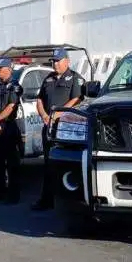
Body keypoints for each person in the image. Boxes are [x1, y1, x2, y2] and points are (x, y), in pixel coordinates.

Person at [31, 48, 84, 211]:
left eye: (58, 61)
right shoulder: (48, 78)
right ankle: (46, 200)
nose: (54, 64)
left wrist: (58, 114)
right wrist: (45, 116)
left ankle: (69, 201)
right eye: (53, 61)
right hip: (49, 127)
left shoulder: (75, 78)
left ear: (67, 61)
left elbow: (77, 99)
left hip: (66, 129)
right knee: (47, 163)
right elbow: (39, 99)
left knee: (65, 163)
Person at [0, 58, 23, 204]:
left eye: (0, 68)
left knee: (12, 163)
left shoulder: (14, 86)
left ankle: (13, 196)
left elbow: (11, 107)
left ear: (8, 69)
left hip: (8, 126)